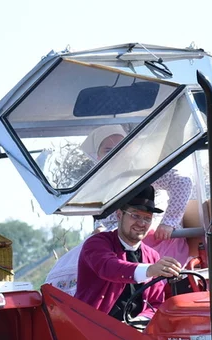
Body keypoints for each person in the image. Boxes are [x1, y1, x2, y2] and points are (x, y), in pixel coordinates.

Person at [79, 125, 194, 253]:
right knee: (85, 253)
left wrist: (168, 222)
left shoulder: (143, 170)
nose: (116, 154)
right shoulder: (97, 183)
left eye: (121, 148)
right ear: (98, 157)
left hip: (153, 234)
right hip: (116, 237)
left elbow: (182, 182)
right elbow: (101, 215)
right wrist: (99, 228)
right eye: (108, 150)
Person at [76, 186, 183, 321]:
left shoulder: (152, 256)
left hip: (136, 336)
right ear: (119, 215)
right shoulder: (97, 243)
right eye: (135, 215)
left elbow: (155, 303)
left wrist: (139, 323)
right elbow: (109, 267)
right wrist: (150, 270)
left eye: (147, 218)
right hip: (94, 330)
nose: (141, 223)